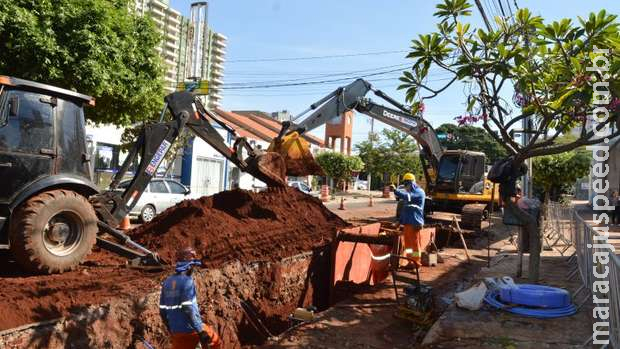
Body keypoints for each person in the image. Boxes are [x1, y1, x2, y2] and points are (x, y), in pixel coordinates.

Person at [160, 247, 221, 349]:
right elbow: (188, 309)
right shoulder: (187, 281)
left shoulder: (167, 282)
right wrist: (200, 331)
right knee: (216, 342)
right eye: (193, 266)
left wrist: (172, 330)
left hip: (176, 333)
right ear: (188, 265)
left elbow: (162, 311)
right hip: (190, 330)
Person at [391, 173, 425, 268]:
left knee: (414, 246)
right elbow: (405, 210)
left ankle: (416, 263)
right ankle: (410, 262)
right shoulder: (409, 195)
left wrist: (395, 191)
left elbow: (407, 196)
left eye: (407, 184)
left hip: (415, 223)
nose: (405, 187)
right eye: (405, 185)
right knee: (408, 246)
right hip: (407, 224)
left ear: (411, 183)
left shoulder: (419, 192)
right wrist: (399, 221)